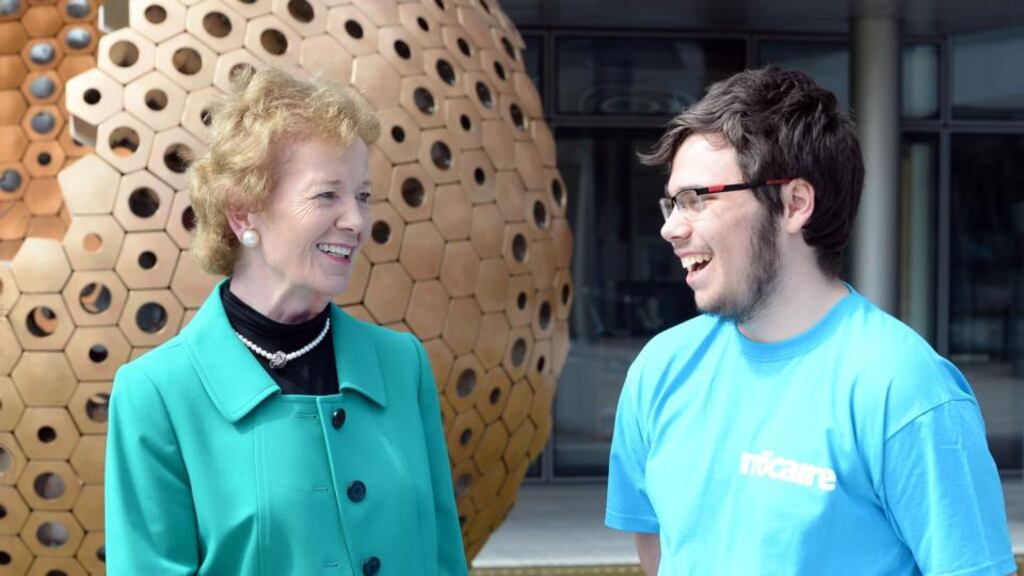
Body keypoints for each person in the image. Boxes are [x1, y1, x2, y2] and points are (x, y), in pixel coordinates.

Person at [605, 66, 1016, 575]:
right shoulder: (659, 370)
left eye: (697, 199)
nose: (670, 228)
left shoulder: (905, 391)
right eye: (671, 202)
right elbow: (658, 550)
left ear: (794, 203)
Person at [105, 68, 468, 576]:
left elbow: (444, 558)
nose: (357, 222)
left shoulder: (402, 366)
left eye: (362, 196)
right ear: (243, 212)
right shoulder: (157, 394)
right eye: (327, 195)